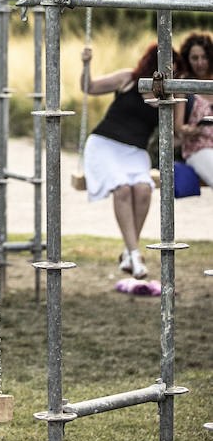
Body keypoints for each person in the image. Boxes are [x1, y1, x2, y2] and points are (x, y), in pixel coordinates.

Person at [80, 41, 179, 279]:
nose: (169, 73)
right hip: (105, 144)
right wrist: (86, 63)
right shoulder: (129, 79)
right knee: (123, 190)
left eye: (173, 70)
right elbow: (89, 87)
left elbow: (175, 134)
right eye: (166, 68)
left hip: (135, 152)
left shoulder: (167, 95)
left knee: (144, 189)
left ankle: (128, 250)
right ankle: (136, 256)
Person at [175, 31, 213, 186]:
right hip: (199, 147)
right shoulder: (184, 83)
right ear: (187, 60)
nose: (200, 62)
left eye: (204, 57)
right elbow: (177, 127)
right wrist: (188, 130)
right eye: (194, 58)